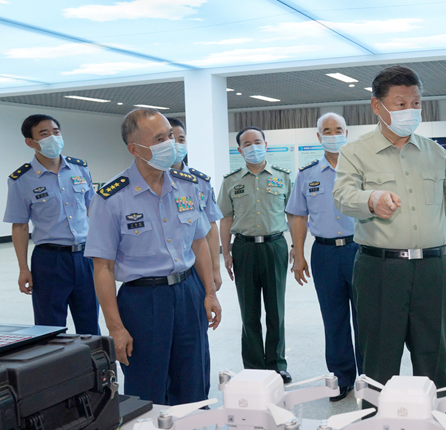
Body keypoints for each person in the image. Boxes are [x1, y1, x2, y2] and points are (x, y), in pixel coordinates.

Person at [333, 65, 446, 395]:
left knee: (435, 361)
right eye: (401, 103)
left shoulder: (436, 154)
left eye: (416, 103)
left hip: (433, 270)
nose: (411, 110)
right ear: (377, 106)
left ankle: (435, 418)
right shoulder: (355, 152)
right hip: (381, 271)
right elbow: (342, 196)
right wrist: (370, 199)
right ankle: (375, 421)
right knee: (379, 363)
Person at [85, 109, 221, 406]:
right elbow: (103, 267)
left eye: (170, 136)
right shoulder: (111, 198)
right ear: (135, 149)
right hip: (143, 300)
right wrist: (115, 328)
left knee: (194, 378)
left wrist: (209, 292)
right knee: (147, 386)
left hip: (188, 292)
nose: (170, 144)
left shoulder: (188, 185)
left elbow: (199, 243)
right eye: (160, 139)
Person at [287, 112, 361, 401]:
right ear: (318, 137)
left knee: (366, 318)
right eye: (327, 131)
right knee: (333, 318)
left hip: (359, 250)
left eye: (338, 129)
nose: (333, 135)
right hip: (325, 254)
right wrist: (299, 254)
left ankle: (369, 377)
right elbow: (298, 216)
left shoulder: (361, 169)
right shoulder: (307, 175)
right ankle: (342, 377)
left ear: (347, 132)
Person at [4, 114, 100, 334]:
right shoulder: (21, 179)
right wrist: (23, 268)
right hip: (50, 260)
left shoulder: (79, 169)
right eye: (44, 134)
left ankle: (94, 358)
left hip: (85, 256)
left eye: (56, 132)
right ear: (30, 142)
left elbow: (93, 211)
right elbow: (20, 226)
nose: (53, 138)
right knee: (50, 327)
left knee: (89, 322)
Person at [218, 127, 293, 383]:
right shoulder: (231, 181)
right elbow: (226, 218)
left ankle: (276, 364)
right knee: (249, 312)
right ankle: (253, 366)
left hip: (275, 246)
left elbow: (294, 214)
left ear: (266, 144)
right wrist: (226, 252)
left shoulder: (283, 177)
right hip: (244, 248)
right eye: (247, 144)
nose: (253, 147)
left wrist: (296, 246)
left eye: (257, 142)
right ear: (240, 150)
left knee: (276, 310)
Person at [169, 117, 224, 291]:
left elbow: (211, 227)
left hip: (199, 263)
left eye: (181, 140)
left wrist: (215, 267)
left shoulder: (200, 181)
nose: (177, 144)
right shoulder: (148, 183)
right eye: (171, 139)